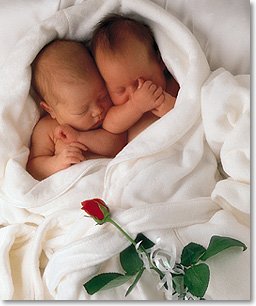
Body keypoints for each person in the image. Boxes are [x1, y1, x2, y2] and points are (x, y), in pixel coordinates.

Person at [26, 39, 127, 181]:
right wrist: (57, 162)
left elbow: (117, 145)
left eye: (102, 96)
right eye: (82, 110)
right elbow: (34, 167)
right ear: (51, 110)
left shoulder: (109, 117)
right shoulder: (47, 128)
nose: (98, 110)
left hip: (110, 179)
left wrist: (79, 137)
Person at [90, 14, 180, 142]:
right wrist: (136, 106)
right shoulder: (119, 112)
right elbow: (110, 126)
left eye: (142, 81)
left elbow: (193, 107)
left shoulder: (174, 85)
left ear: (160, 62)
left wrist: (173, 107)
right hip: (144, 158)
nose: (135, 93)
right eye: (120, 90)